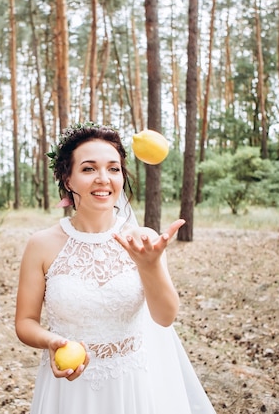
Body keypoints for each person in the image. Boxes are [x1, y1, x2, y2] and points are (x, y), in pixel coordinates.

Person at [15, 122, 216, 413]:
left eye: (113, 168)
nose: (103, 179)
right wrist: (52, 341)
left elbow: (165, 317)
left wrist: (150, 266)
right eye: (88, 169)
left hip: (129, 385)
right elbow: (25, 323)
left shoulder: (143, 239)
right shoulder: (41, 245)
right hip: (67, 389)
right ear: (67, 179)